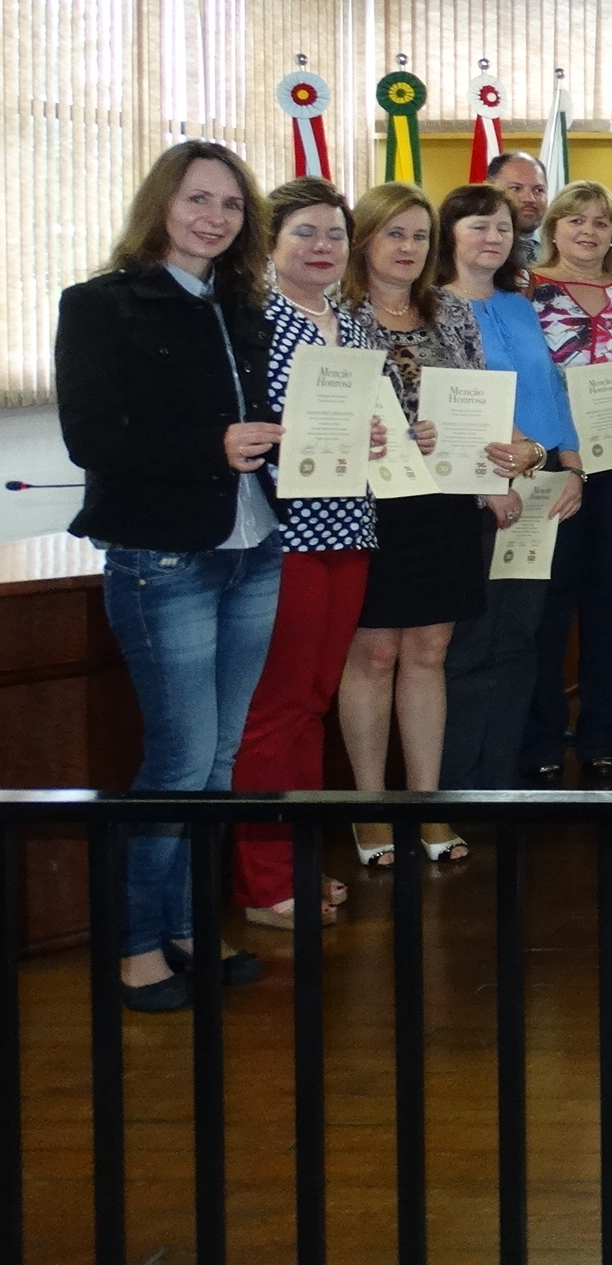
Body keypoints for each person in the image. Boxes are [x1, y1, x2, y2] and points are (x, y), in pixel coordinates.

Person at [57, 142, 283, 1011]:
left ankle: (189, 925)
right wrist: (209, 447)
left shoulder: (243, 305)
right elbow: (92, 439)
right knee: (180, 759)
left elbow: (262, 420)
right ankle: (136, 945)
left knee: (219, 759)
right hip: (163, 559)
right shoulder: (99, 305)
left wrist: (330, 435)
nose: (214, 217)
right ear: (161, 204)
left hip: (254, 549)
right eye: (197, 199)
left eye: (231, 204)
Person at [230, 179, 379, 931]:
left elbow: (369, 417)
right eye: (305, 233)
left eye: (335, 235)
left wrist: (385, 434)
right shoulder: (253, 321)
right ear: (272, 241)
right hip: (283, 532)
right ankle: (264, 885)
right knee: (275, 707)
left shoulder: (353, 323)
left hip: (349, 524)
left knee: (314, 702)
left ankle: (299, 858)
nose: (323, 247)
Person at [341, 183, 485, 866]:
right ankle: (369, 810)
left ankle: (428, 806)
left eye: (420, 236)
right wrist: (390, 430)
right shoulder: (337, 314)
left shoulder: (452, 311)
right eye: (394, 233)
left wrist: (488, 458)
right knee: (374, 655)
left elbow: (476, 397)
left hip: (444, 502)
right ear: (364, 239)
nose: (408, 247)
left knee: (430, 650)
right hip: (369, 503)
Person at [434, 185, 585, 792]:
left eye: (502, 227)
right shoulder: (434, 307)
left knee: (522, 638)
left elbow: (552, 390)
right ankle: (458, 783)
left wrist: (571, 467)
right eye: (478, 225)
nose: (494, 237)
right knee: (472, 641)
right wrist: (505, 469)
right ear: (449, 234)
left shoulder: (520, 306)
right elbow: (453, 402)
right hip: (478, 490)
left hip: (541, 485)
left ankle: (501, 778)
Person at [525, 181, 612, 779]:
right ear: (553, 228)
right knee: (549, 604)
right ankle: (543, 739)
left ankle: (603, 734)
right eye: (576, 220)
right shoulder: (524, 291)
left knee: (609, 601)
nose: (589, 231)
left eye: (601, 222)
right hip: (549, 462)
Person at [487, 150, 550, 267]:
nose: (529, 199)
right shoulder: (474, 249)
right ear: (490, 191)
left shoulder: (562, 250)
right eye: (516, 188)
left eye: (538, 190)